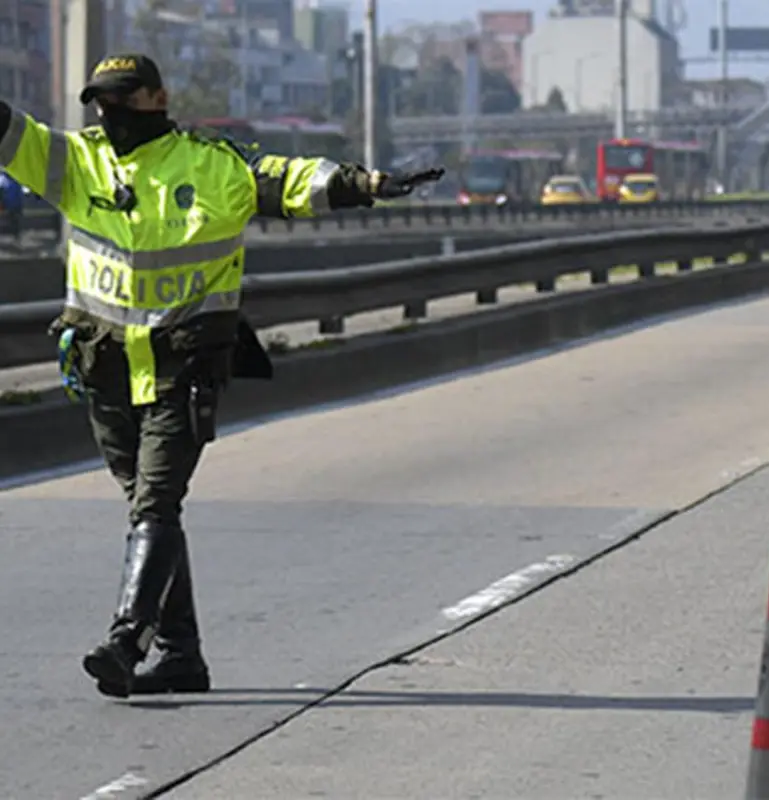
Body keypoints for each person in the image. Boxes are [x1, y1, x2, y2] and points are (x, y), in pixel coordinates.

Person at [0, 53, 443, 699]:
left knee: (155, 503)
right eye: (99, 100)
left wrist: (372, 183)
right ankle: (182, 655)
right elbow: (7, 131)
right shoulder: (73, 162)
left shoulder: (212, 164)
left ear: (157, 98)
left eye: (121, 99)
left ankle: (127, 638)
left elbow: (293, 179)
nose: (107, 112)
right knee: (149, 512)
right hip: (106, 369)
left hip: (184, 367)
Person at [0, 168, 24, 242]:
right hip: (9, 203)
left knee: (16, 219)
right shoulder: (3, 178)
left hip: (15, 203)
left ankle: (16, 235)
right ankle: (16, 235)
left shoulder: (15, 179)